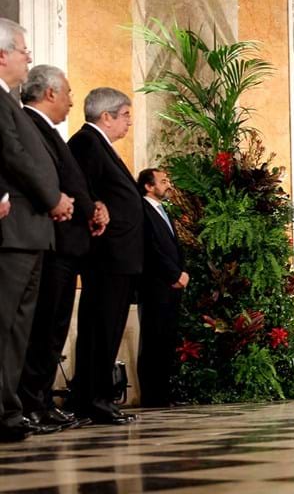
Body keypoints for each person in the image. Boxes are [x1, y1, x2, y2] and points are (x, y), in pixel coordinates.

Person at [17, 65, 109, 430]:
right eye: (68, 93)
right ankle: (31, 404)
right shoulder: (28, 124)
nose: (72, 101)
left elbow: (72, 180)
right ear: (51, 93)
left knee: (53, 329)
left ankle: (40, 402)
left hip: (68, 243)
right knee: (43, 329)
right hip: (52, 239)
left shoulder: (49, 131)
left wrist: (92, 204)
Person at [0, 18, 74, 442]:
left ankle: (9, 410)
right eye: (24, 49)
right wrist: (54, 199)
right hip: (14, 230)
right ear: (3, 53)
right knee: (6, 325)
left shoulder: (7, 99)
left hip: (31, 231)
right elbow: (14, 155)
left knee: (19, 329)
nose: (29, 56)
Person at [68, 87, 143, 424]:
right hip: (106, 253)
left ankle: (97, 396)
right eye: (126, 115)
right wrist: (97, 208)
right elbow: (81, 189)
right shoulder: (87, 142)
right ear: (106, 116)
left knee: (109, 327)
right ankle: (91, 398)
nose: (130, 122)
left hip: (119, 255)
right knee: (100, 327)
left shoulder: (101, 145)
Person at [136, 168, 188, 407]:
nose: (169, 184)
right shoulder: (143, 210)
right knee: (153, 339)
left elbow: (174, 247)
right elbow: (150, 248)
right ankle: (151, 395)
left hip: (173, 284)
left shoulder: (163, 210)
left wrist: (183, 271)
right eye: (163, 181)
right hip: (155, 284)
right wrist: (173, 273)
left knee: (167, 339)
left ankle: (164, 393)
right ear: (148, 186)